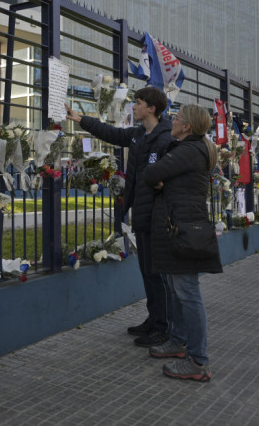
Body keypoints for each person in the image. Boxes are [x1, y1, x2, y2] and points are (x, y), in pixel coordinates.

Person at [65, 87, 172, 348]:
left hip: (159, 215)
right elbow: (112, 134)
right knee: (146, 270)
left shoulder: (165, 138)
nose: (133, 107)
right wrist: (82, 120)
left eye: (138, 103)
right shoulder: (138, 135)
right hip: (141, 213)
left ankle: (164, 327)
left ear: (152, 109)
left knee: (157, 273)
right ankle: (153, 318)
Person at [142, 104, 222, 382]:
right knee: (178, 291)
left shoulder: (189, 150)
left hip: (184, 229)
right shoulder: (192, 149)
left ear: (187, 126)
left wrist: (162, 181)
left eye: (176, 119)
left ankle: (198, 361)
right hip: (180, 227)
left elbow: (150, 174)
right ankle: (178, 342)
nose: (173, 121)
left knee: (188, 293)